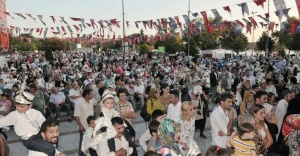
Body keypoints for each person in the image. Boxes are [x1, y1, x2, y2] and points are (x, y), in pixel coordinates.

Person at [0, 91, 56, 156]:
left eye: (21, 106)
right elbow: (1, 122)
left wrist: (46, 133)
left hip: (39, 135)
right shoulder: (13, 115)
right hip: (29, 140)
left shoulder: (36, 113)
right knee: (50, 149)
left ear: (30, 106)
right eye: (16, 105)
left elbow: (44, 125)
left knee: (53, 142)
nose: (18, 108)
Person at [74, 89, 95, 156]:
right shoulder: (79, 102)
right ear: (87, 95)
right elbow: (76, 116)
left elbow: (96, 104)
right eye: (91, 94)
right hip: (83, 126)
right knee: (83, 141)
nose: (92, 95)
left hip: (91, 126)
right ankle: (81, 154)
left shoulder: (91, 100)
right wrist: (80, 125)